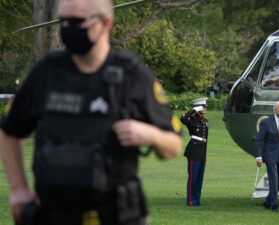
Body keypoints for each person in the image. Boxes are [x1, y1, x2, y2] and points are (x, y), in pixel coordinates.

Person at [0, 0, 182, 225]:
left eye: (76, 22)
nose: (67, 28)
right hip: (53, 215)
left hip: (115, 216)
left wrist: (150, 135)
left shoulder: (132, 75)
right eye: (63, 21)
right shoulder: (46, 72)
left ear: (105, 22)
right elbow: (9, 132)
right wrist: (18, 189)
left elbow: (173, 145)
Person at [180, 97, 209, 206]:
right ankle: (191, 201)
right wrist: (194, 110)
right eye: (203, 106)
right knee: (193, 177)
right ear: (198, 107)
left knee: (199, 178)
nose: (205, 108)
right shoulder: (191, 119)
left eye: (205, 106)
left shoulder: (205, 121)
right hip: (194, 150)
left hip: (202, 151)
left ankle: (197, 199)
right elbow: (182, 118)